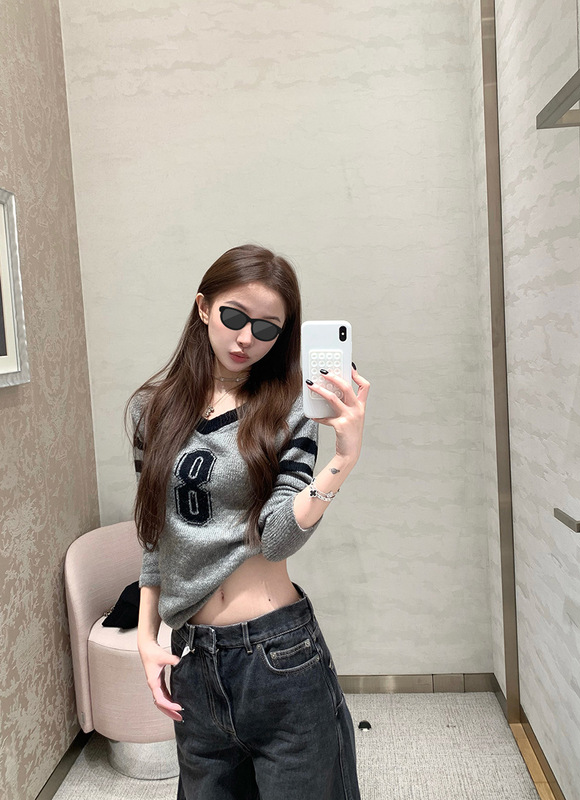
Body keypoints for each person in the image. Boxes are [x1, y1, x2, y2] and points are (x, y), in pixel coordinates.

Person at [126, 243, 370, 800]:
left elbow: (278, 537)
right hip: (194, 662)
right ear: (203, 307)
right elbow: (155, 535)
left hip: (278, 658)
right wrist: (145, 637)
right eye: (234, 316)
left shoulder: (289, 409)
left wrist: (343, 459)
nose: (246, 339)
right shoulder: (153, 411)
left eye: (266, 329)